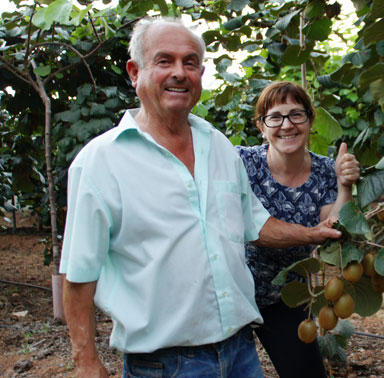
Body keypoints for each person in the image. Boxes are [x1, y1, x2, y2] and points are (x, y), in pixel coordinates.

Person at [60, 18, 342, 378]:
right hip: (164, 365)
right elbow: (79, 273)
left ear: (200, 75)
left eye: (190, 63)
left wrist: (313, 233)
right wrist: (85, 361)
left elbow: (255, 225)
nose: (180, 72)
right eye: (165, 61)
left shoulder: (219, 146)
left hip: (240, 353)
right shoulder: (100, 162)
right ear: (134, 72)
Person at [236, 81, 360, 378]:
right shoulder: (241, 162)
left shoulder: (324, 170)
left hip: (286, 297)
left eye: (296, 115)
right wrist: (310, 234)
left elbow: (335, 227)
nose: (286, 125)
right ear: (261, 127)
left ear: (310, 120)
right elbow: (247, 228)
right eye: (275, 117)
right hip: (233, 294)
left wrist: (345, 187)